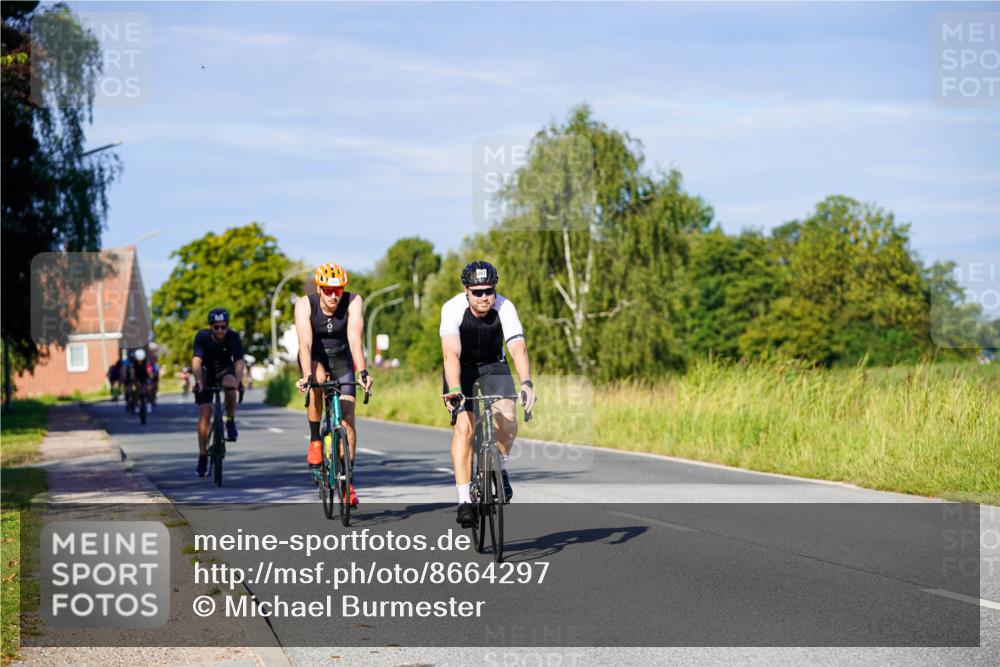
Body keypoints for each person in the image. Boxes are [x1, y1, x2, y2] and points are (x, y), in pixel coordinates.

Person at [439, 261, 536, 528]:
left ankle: (500, 466)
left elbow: (517, 348)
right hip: (462, 369)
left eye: (489, 291)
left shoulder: (505, 307)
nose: (484, 297)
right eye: (477, 292)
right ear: (466, 291)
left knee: (508, 417)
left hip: (493, 365)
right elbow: (451, 353)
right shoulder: (452, 308)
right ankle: (464, 500)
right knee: (464, 428)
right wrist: (455, 389)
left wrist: (526, 383)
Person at [294, 263, 373, 507]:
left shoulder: (353, 301)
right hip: (315, 357)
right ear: (319, 289)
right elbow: (305, 344)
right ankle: (315, 441)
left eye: (337, 290)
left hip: (342, 358)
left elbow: (355, 339)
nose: (333, 296)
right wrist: (307, 375)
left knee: (347, 420)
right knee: (316, 382)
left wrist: (362, 372)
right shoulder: (304, 304)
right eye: (327, 290)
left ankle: (348, 481)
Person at [192, 308, 245, 477]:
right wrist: (198, 381)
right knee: (205, 414)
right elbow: (196, 361)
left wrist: (238, 382)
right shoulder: (202, 337)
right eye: (216, 327)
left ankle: (230, 420)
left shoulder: (233, 337)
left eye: (223, 327)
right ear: (211, 327)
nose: (220, 330)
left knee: (230, 384)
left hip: (225, 371)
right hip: (206, 373)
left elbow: (239, 362)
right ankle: (202, 456)